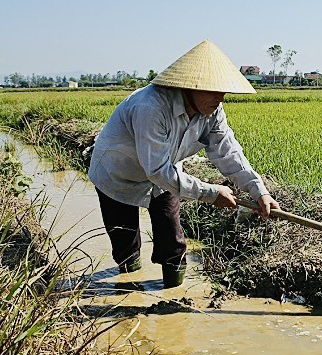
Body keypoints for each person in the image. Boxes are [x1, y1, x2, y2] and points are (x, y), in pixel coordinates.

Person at [88, 40, 279, 288]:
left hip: (165, 175)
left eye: (224, 92)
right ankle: (127, 292)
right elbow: (156, 169)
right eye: (214, 91)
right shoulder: (150, 107)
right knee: (125, 245)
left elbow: (228, 152)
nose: (220, 98)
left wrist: (259, 191)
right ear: (190, 86)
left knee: (173, 241)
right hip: (117, 175)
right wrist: (210, 193)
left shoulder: (213, 111)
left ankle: (174, 298)